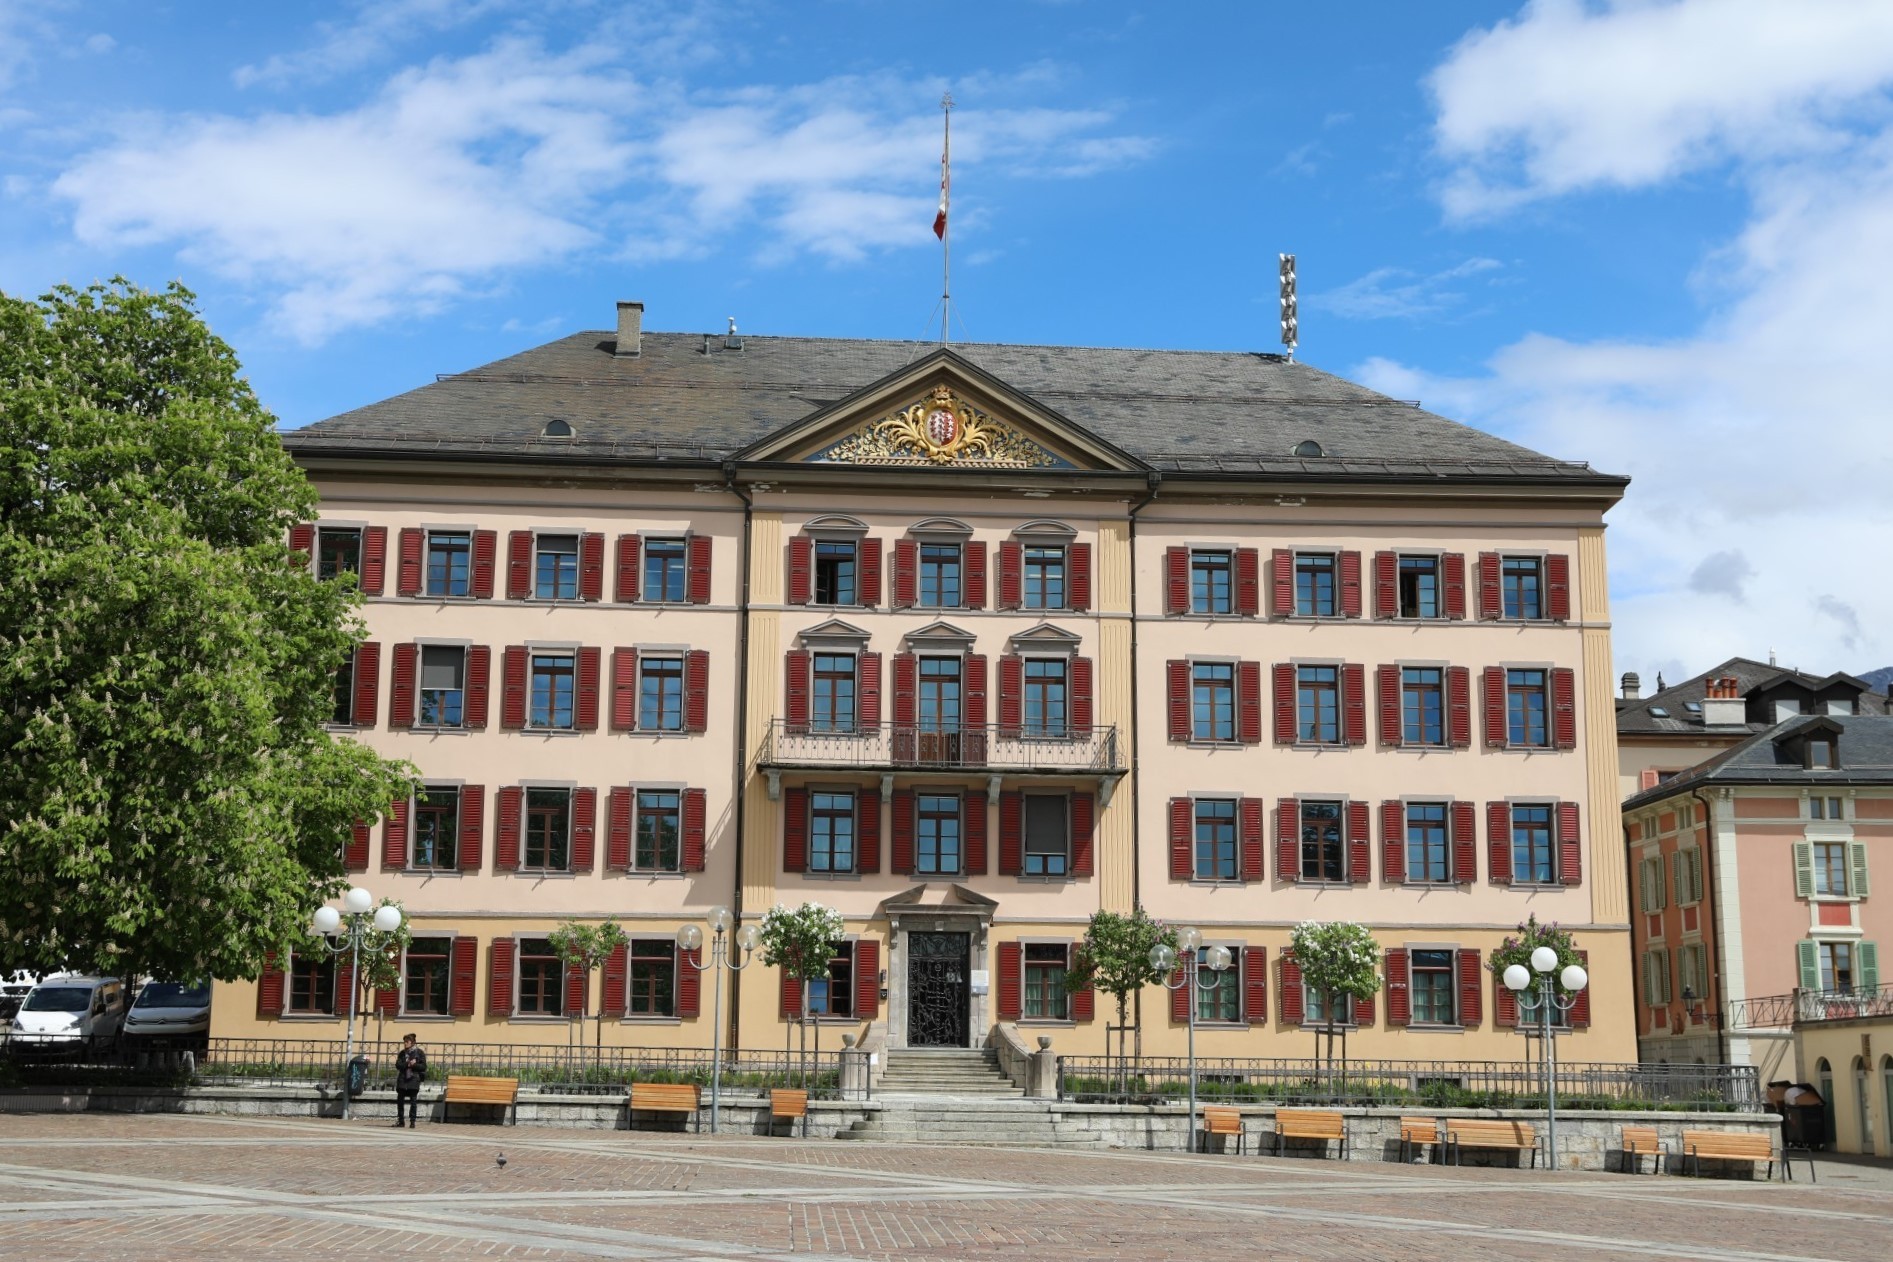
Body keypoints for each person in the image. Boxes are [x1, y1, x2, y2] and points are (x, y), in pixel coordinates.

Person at [394, 1033, 426, 1128]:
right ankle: (401, 1121)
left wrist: (414, 1065)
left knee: (413, 1102)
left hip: (414, 1079)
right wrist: (408, 1063)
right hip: (403, 1079)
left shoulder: (419, 1053)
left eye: (407, 1042)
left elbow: (423, 1067)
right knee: (400, 1101)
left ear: (412, 1043)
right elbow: (398, 1065)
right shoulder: (402, 1053)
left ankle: (412, 1122)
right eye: (404, 1042)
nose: (405, 1044)